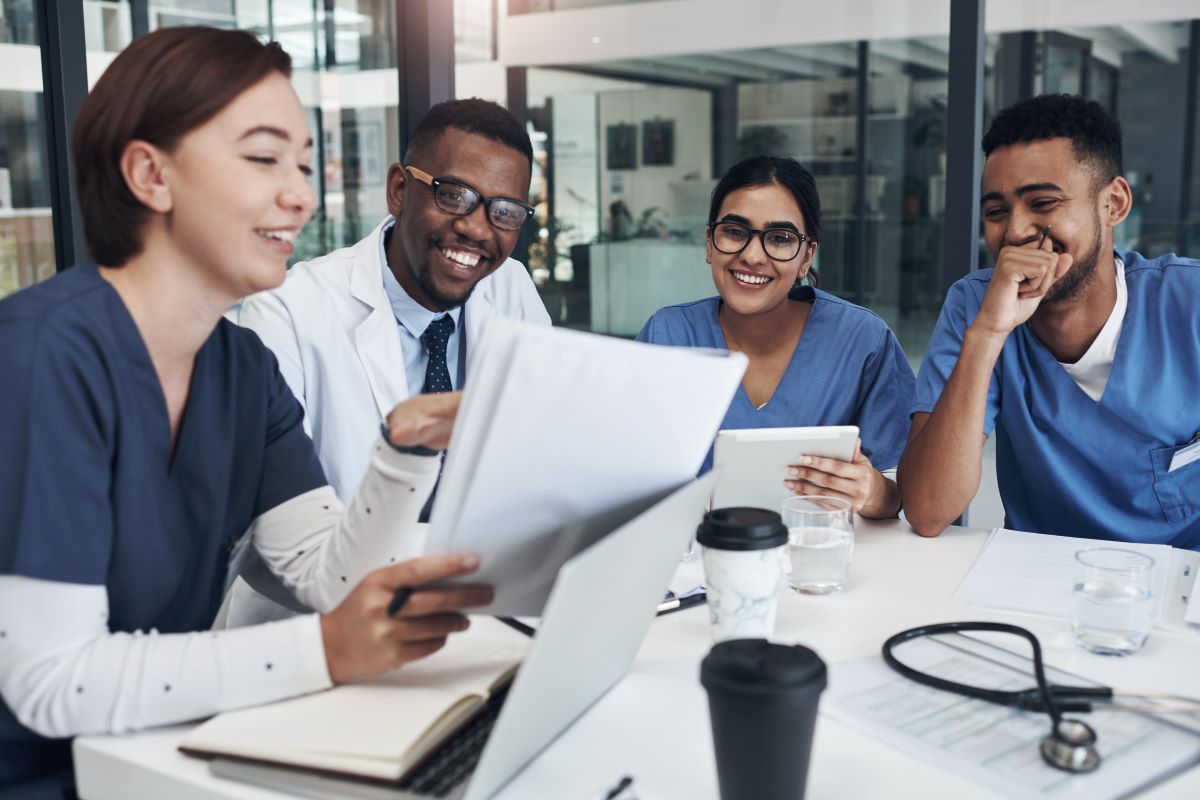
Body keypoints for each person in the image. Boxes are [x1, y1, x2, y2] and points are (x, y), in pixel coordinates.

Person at [0, 28, 490, 796]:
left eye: (302, 163)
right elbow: (51, 681)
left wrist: (406, 447)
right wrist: (325, 653)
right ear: (149, 174)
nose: (301, 193)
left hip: (163, 761)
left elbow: (327, 579)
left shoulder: (241, 370)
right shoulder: (41, 353)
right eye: (264, 159)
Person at [228, 99, 550, 626]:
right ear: (400, 189)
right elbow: (267, 535)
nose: (477, 228)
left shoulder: (509, 286)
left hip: (480, 613)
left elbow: (544, 452)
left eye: (505, 211)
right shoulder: (285, 312)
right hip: (320, 636)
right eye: (455, 195)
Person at [899, 94, 1200, 549]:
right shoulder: (975, 305)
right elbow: (927, 511)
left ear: (1114, 203)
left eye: (1043, 203)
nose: (1016, 231)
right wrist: (988, 334)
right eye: (996, 212)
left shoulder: (1189, 302)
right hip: (1040, 584)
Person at [637, 156, 915, 519]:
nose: (752, 256)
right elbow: (617, 473)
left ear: (806, 256)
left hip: (818, 560)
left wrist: (874, 492)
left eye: (780, 238)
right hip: (695, 564)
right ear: (709, 243)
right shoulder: (666, 337)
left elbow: (904, 496)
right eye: (735, 232)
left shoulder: (862, 341)